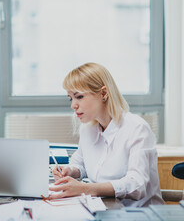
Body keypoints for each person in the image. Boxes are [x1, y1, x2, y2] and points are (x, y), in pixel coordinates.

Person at [50, 62, 164, 207]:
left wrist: (85, 189)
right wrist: (70, 171)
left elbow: (137, 184)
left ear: (103, 93)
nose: (73, 105)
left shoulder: (137, 128)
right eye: (70, 98)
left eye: (79, 96)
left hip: (139, 214)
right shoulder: (88, 129)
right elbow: (80, 163)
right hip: (105, 210)